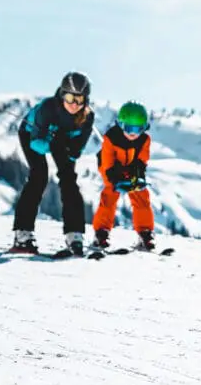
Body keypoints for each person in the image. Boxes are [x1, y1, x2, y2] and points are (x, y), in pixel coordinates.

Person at [10, 71, 96, 256]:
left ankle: (75, 234)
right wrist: (51, 142)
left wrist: (64, 148)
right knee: (39, 176)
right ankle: (23, 233)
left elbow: (76, 151)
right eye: (69, 97)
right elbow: (36, 144)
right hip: (33, 136)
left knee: (68, 180)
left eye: (79, 99)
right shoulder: (48, 108)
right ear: (61, 94)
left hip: (60, 139)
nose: (74, 104)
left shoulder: (87, 118)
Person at [91, 101, 156, 252]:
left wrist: (138, 176)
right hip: (110, 168)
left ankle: (145, 233)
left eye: (138, 129)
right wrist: (116, 180)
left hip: (131, 167)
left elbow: (141, 161)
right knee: (110, 194)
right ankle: (101, 233)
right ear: (120, 125)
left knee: (140, 194)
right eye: (129, 128)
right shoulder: (111, 138)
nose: (133, 134)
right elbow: (107, 164)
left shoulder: (144, 140)